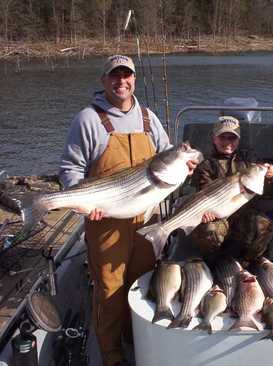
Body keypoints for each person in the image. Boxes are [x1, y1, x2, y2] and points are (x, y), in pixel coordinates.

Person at [58, 55, 197, 366]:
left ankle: (137, 336)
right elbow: (70, 168)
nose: (121, 82)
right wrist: (83, 203)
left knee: (143, 282)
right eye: (114, 76)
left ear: (134, 79)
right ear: (104, 80)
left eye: (127, 76)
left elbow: (165, 155)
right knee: (109, 289)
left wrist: (184, 165)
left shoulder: (149, 118)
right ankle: (111, 353)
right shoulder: (88, 119)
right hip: (105, 219)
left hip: (146, 220)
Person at [190, 115, 273, 263]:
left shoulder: (249, 160)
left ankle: (248, 262)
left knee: (264, 225)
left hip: (244, 215)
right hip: (218, 217)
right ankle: (213, 263)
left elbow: (265, 191)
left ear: (239, 139)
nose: (227, 142)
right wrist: (204, 213)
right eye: (222, 137)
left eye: (232, 138)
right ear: (214, 138)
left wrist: (270, 176)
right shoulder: (205, 165)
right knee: (208, 230)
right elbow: (204, 194)